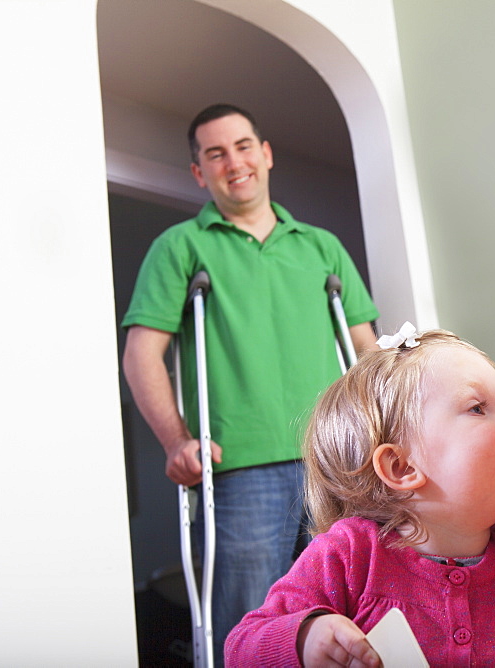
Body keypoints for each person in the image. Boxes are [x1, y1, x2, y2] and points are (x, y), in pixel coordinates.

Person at [121, 103, 379, 663]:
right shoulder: (180, 247)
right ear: (199, 172)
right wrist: (174, 441)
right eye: (215, 154)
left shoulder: (321, 247)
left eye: (242, 146)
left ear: (264, 154)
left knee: (348, 611)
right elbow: (142, 354)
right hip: (236, 470)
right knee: (247, 627)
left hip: (334, 463)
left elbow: (366, 354)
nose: (232, 162)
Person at [224, 327, 495, 668]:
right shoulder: (349, 554)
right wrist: (306, 638)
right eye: (477, 408)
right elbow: (242, 646)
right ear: (401, 468)